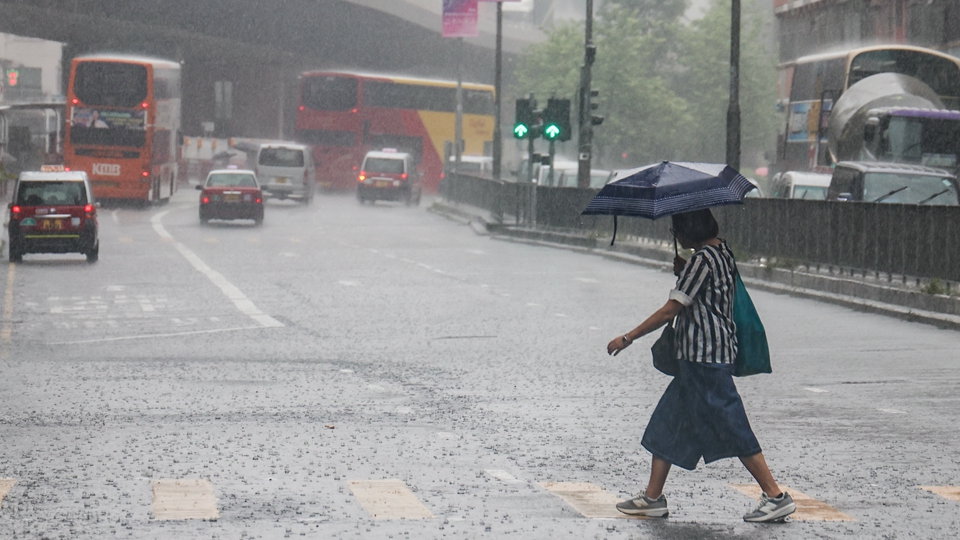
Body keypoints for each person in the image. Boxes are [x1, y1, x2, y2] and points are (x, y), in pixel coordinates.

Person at [605, 208, 796, 523]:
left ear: (688, 231)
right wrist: (685, 271)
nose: (676, 237)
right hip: (703, 357)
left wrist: (629, 337)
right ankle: (652, 498)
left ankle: (775, 496)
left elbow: (671, 310)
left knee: (732, 425)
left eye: (677, 231)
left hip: (704, 358)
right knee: (668, 423)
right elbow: (709, 294)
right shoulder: (721, 252)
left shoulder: (700, 261)